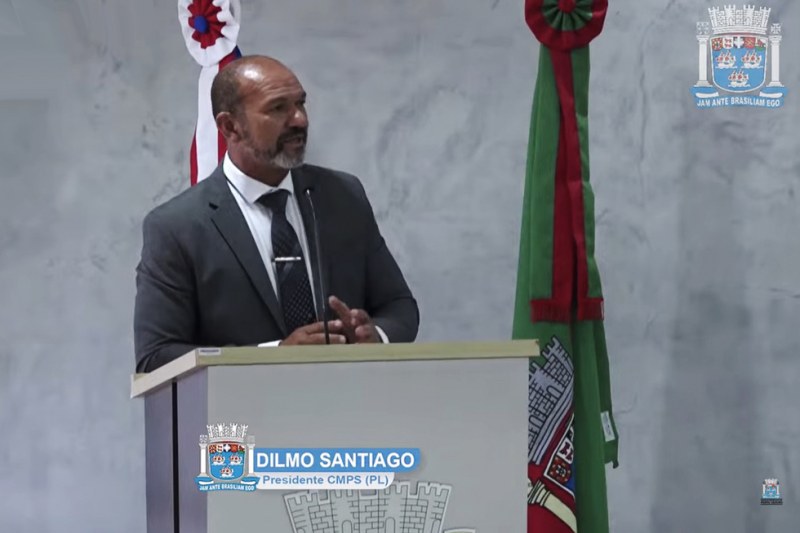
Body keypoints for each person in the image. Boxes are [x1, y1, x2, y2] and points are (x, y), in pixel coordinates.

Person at [133, 55, 419, 373]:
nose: (300, 120)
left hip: (348, 398)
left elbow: (399, 306)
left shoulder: (343, 196)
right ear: (230, 126)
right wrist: (273, 355)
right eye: (278, 108)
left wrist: (375, 336)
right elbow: (156, 356)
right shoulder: (177, 227)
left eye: (301, 104)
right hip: (241, 405)